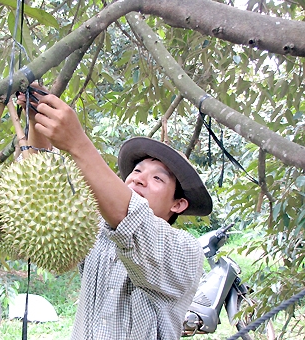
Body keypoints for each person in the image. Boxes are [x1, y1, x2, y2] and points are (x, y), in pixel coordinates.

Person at [17, 87, 213, 339]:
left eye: (157, 178)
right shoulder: (95, 229)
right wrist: (37, 120)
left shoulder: (185, 252)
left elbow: (133, 220)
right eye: (137, 171)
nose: (140, 180)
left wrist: (78, 143)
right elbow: (42, 191)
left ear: (178, 204)